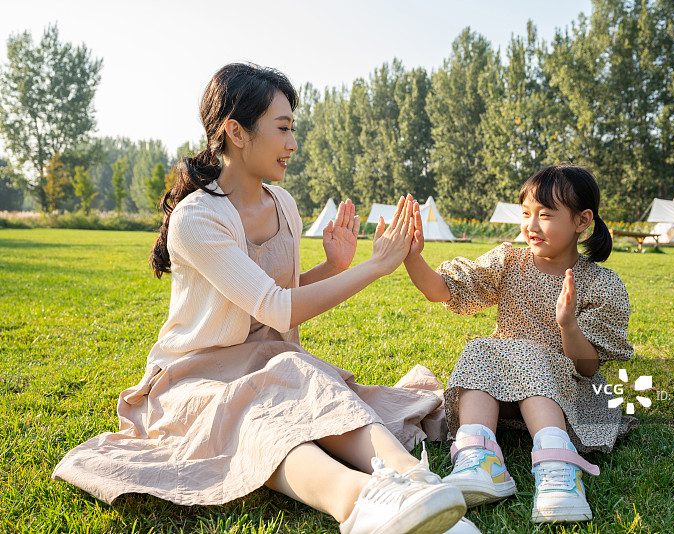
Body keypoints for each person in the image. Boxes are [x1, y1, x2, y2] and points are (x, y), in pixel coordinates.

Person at [52, 63, 480, 534]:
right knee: (264, 423)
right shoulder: (197, 218)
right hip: (196, 376)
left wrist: (332, 267)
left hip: (270, 360)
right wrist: (374, 267)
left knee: (320, 391)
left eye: (292, 128)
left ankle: (416, 479)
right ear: (236, 131)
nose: (292, 143)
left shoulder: (284, 206)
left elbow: (277, 295)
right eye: (282, 128)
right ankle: (360, 503)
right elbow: (274, 306)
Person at [402, 164, 637, 523]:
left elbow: (587, 368)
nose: (531, 225)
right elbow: (443, 289)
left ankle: (559, 469)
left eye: (545, 215)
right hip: (505, 398)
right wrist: (412, 257)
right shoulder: (509, 261)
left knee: (528, 353)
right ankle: (478, 459)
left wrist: (568, 325)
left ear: (581, 221)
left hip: (568, 399)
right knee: (482, 347)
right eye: (526, 213)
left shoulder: (601, 284)